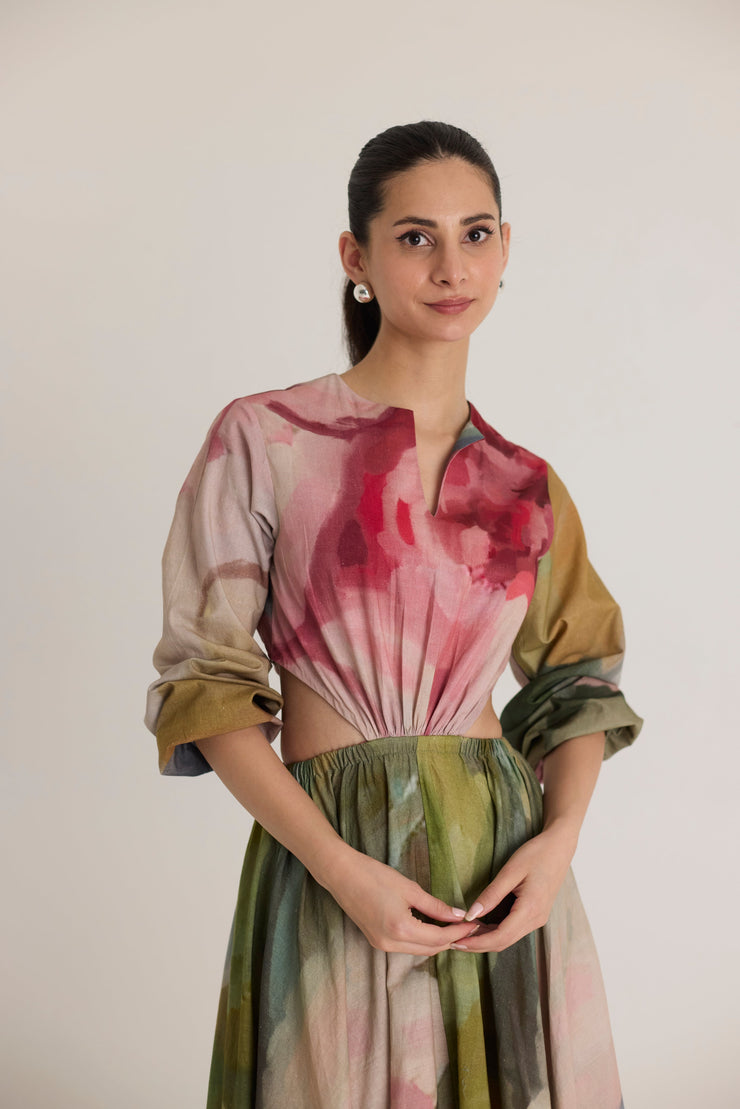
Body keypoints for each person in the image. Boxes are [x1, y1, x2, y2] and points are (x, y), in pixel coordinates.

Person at [146, 121, 642, 1109]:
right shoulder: (266, 438)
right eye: (416, 237)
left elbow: (578, 678)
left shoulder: (524, 483)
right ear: (356, 257)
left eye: (475, 233)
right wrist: (339, 868)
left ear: (505, 248)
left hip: (499, 865)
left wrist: (555, 848)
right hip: (334, 852)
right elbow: (206, 683)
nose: (451, 266)